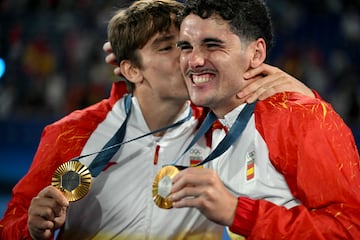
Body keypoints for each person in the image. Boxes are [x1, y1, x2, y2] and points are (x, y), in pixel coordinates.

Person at [0, 0, 315, 239]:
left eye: (187, 45)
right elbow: (12, 224)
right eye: (169, 48)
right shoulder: (71, 133)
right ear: (132, 70)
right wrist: (28, 227)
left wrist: (302, 91)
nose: (189, 59)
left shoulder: (224, 124)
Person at [169, 0, 360, 239]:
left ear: (256, 53)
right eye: (186, 47)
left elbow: (349, 230)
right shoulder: (209, 122)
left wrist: (238, 212)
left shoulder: (301, 120)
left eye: (212, 45)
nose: (194, 61)